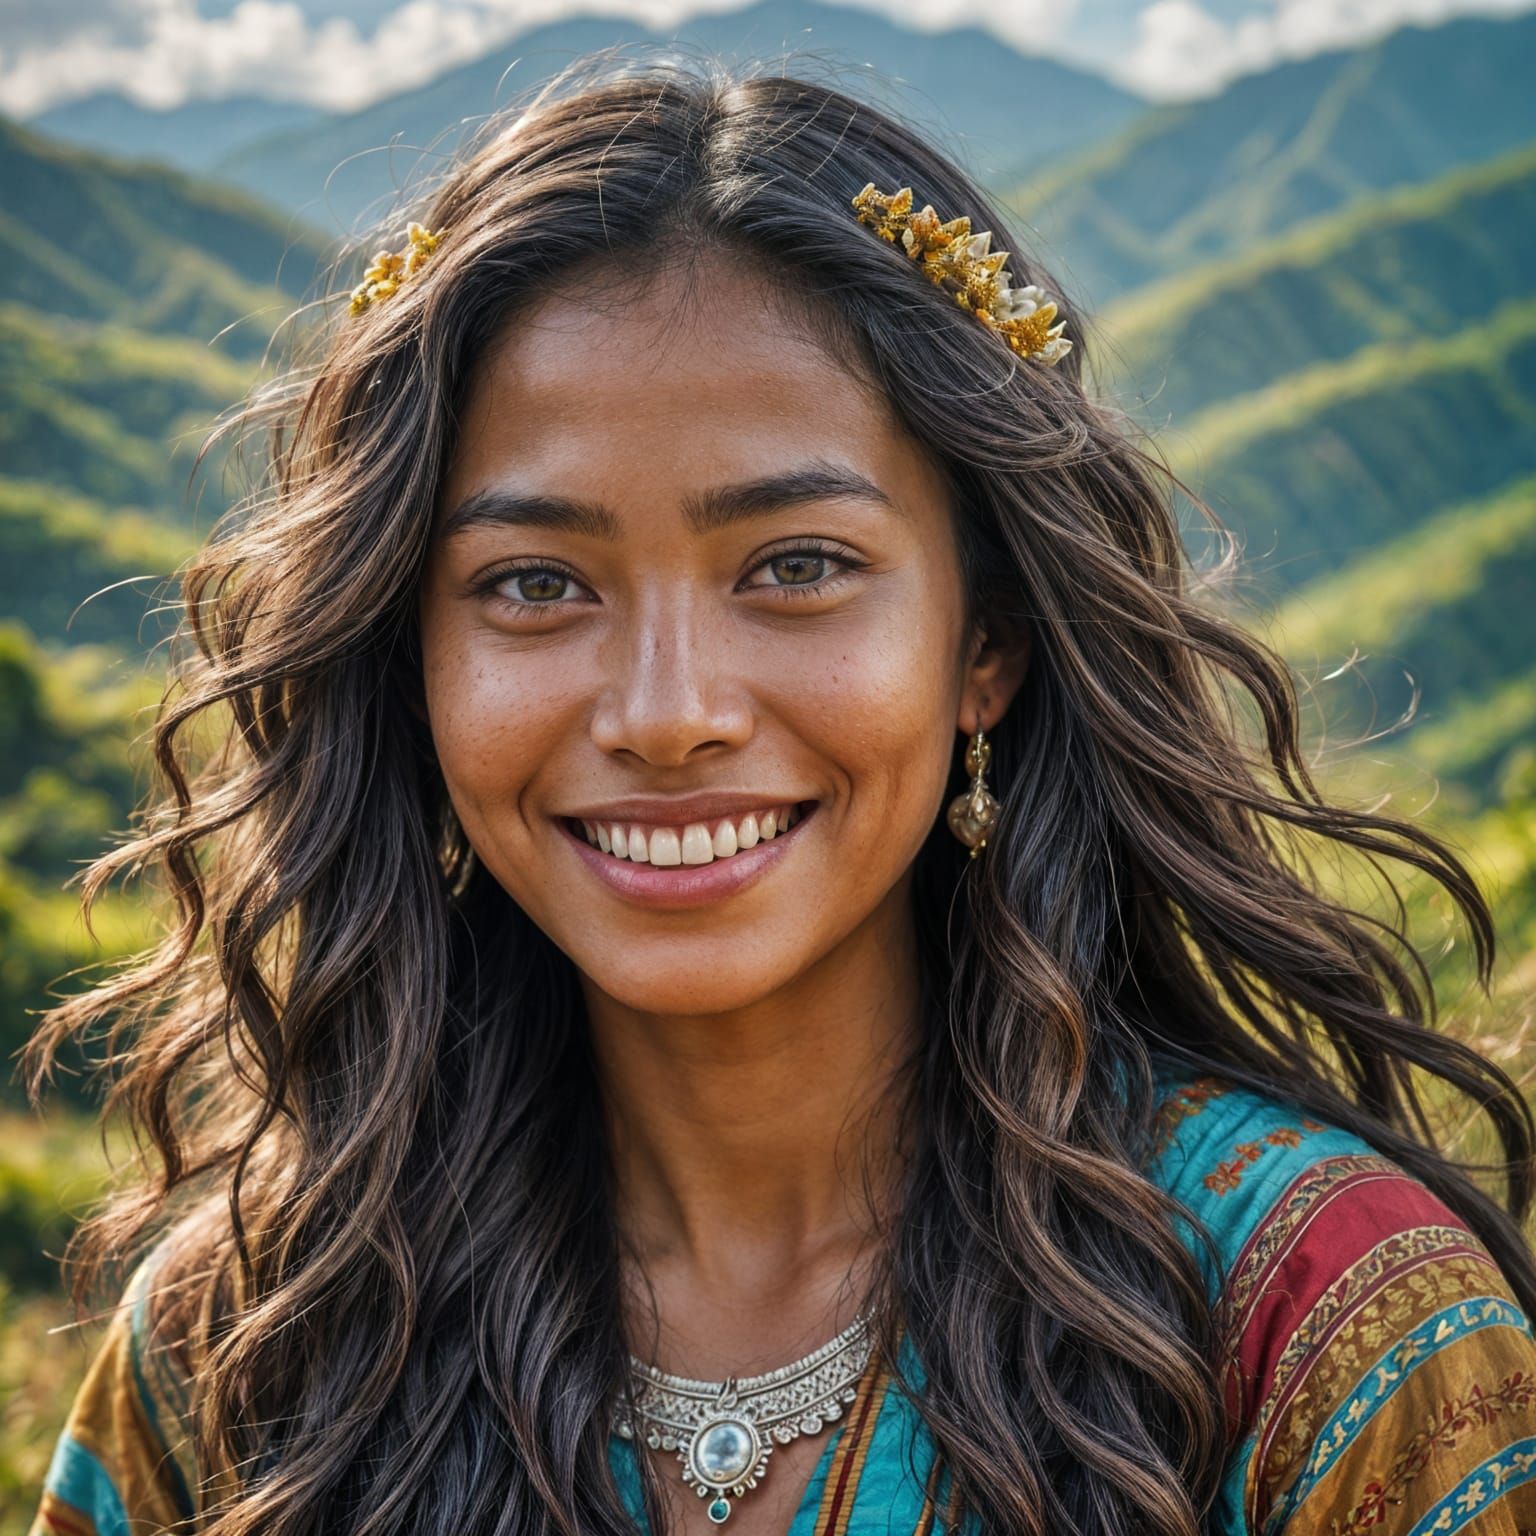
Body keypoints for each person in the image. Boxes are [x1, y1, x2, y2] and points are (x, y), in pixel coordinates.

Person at [22, 53, 1536, 1536]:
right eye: (534, 583)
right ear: (411, 666)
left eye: (797, 567)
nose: (668, 713)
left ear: (983, 647)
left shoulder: (1324, 1331)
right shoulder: (252, 1343)